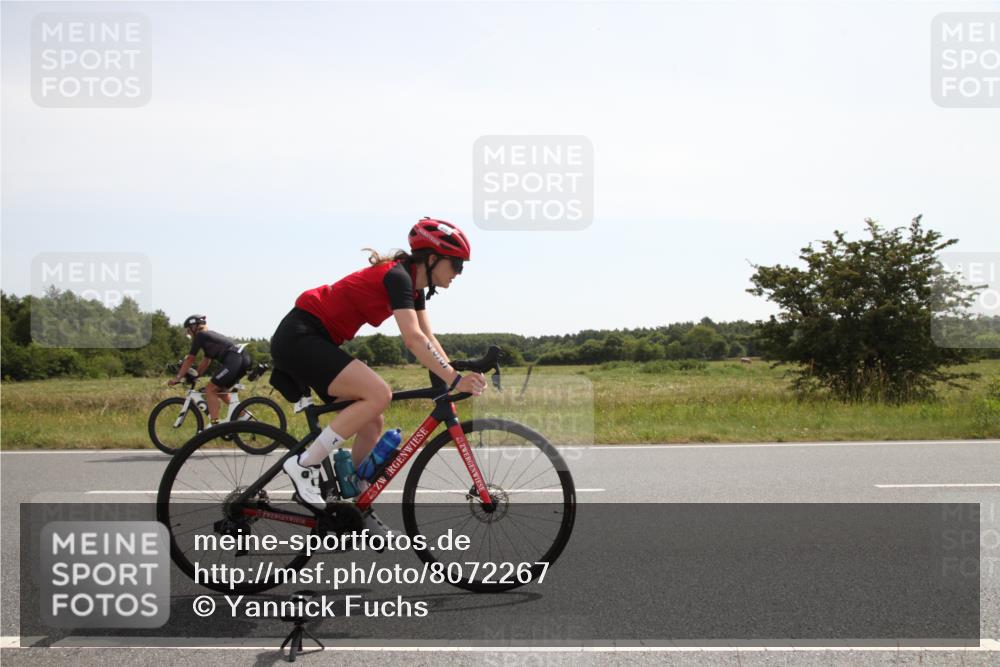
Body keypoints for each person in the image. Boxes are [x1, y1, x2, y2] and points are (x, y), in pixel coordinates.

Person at [270, 217, 487, 533]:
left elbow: (428, 339)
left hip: (315, 340)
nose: (458, 273)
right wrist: (454, 378)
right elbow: (412, 339)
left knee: (372, 421)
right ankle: (304, 465)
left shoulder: (414, 288)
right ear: (432, 258)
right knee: (378, 393)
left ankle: (357, 503)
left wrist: (453, 372)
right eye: (456, 265)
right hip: (301, 336)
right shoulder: (397, 277)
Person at [169, 314, 251, 424]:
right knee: (221, 391)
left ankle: (215, 425)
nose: (188, 333)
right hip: (243, 359)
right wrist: (197, 376)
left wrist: (178, 378)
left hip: (235, 359)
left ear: (194, 327)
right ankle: (243, 416)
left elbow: (190, 359)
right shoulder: (208, 338)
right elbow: (206, 361)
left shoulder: (200, 335)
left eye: (188, 330)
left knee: (210, 389)